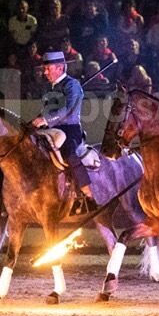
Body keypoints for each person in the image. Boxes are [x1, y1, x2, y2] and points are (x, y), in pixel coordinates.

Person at [30, 51, 95, 213]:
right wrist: (37, 120)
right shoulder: (49, 88)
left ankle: (86, 191)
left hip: (69, 129)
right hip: (50, 128)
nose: (45, 72)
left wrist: (45, 119)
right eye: (44, 69)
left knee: (68, 152)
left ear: (59, 68)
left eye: (48, 69)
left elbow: (69, 110)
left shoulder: (72, 85)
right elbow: (47, 110)